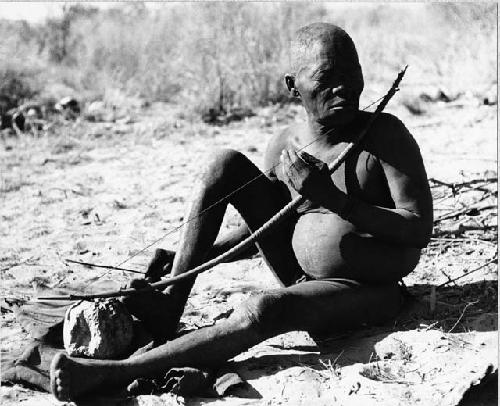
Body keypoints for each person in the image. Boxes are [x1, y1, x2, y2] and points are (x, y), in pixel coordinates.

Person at [50, 22, 433, 401]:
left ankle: (112, 374)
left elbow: (418, 229)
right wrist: (197, 257)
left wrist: (335, 199)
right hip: (299, 275)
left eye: (352, 73)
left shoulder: (385, 136)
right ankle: (171, 302)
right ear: (292, 87)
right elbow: (267, 226)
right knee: (223, 164)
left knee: (263, 309)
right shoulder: (287, 145)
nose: (343, 86)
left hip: (367, 289)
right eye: (327, 76)